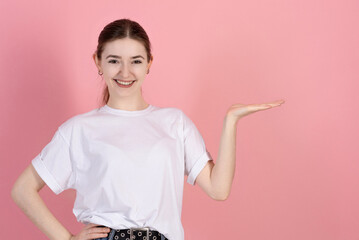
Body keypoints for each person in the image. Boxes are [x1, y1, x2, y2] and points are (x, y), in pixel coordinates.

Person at [11, 18, 285, 240]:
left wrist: (231, 122)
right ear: (98, 61)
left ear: (149, 63)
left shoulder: (174, 123)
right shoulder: (78, 130)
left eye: (136, 61)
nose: (125, 72)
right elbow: (22, 190)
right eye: (114, 60)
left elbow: (218, 189)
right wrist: (67, 239)